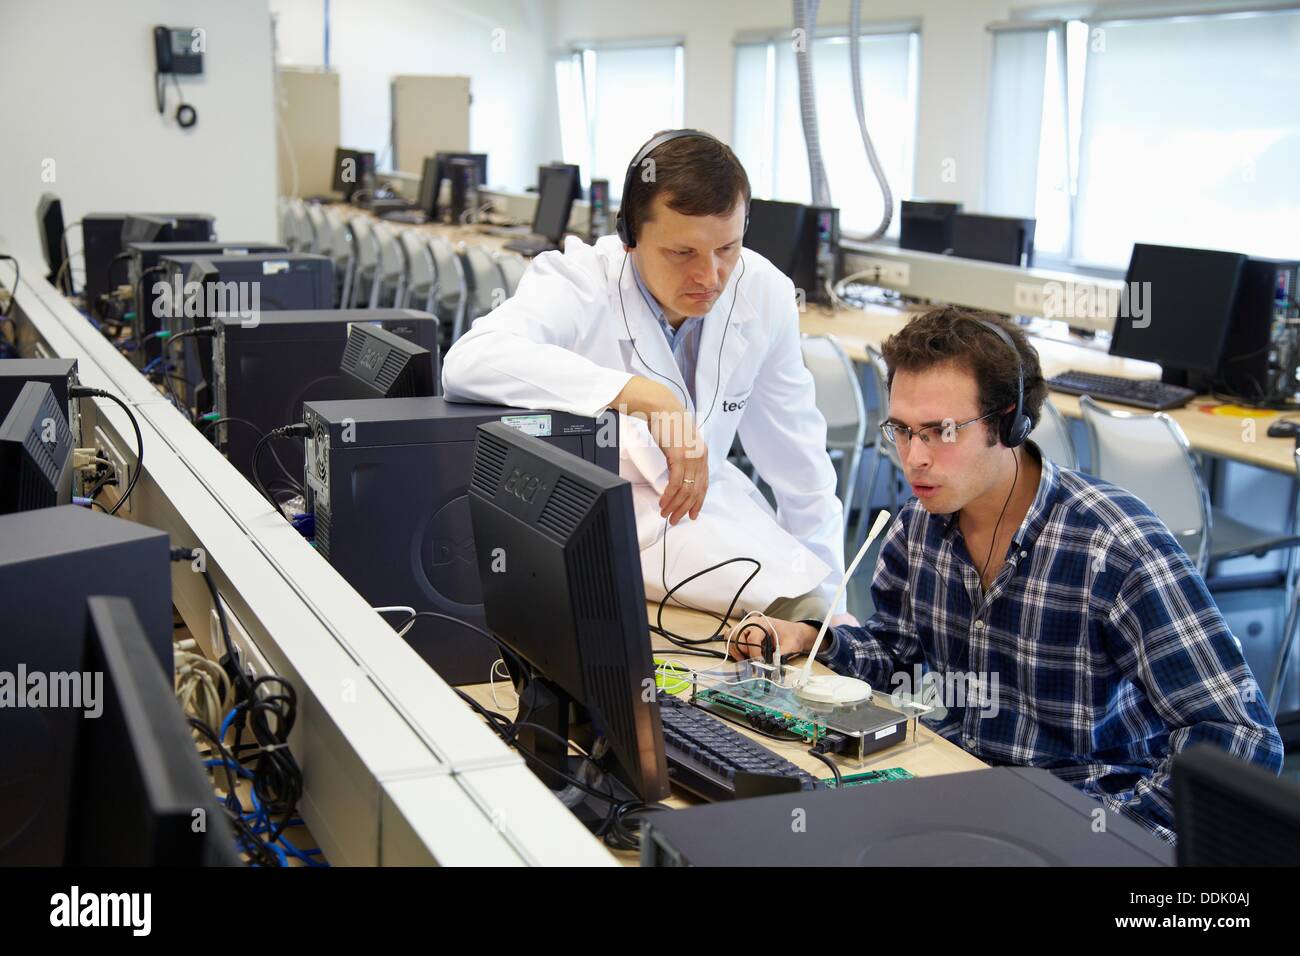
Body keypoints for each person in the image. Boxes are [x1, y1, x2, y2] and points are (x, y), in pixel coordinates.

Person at [736, 306, 1282, 842]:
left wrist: (1112, 836)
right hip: (962, 791)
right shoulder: (919, 525)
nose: (914, 458)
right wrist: (814, 639)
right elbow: (893, 652)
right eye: (901, 430)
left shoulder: (1113, 546)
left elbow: (1241, 734)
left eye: (940, 431)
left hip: (1079, 813)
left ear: (1010, 424)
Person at [442, 130, 855, 623]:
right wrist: (645, 398)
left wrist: (832, 623)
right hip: (584, 529)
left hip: (702, 518)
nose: (710, 277)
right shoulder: (579, 282)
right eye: (682, 254)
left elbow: (801, 469)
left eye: (728, 248)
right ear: (629, 236)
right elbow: (468, 361)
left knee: (798, 605)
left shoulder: (763, 292)